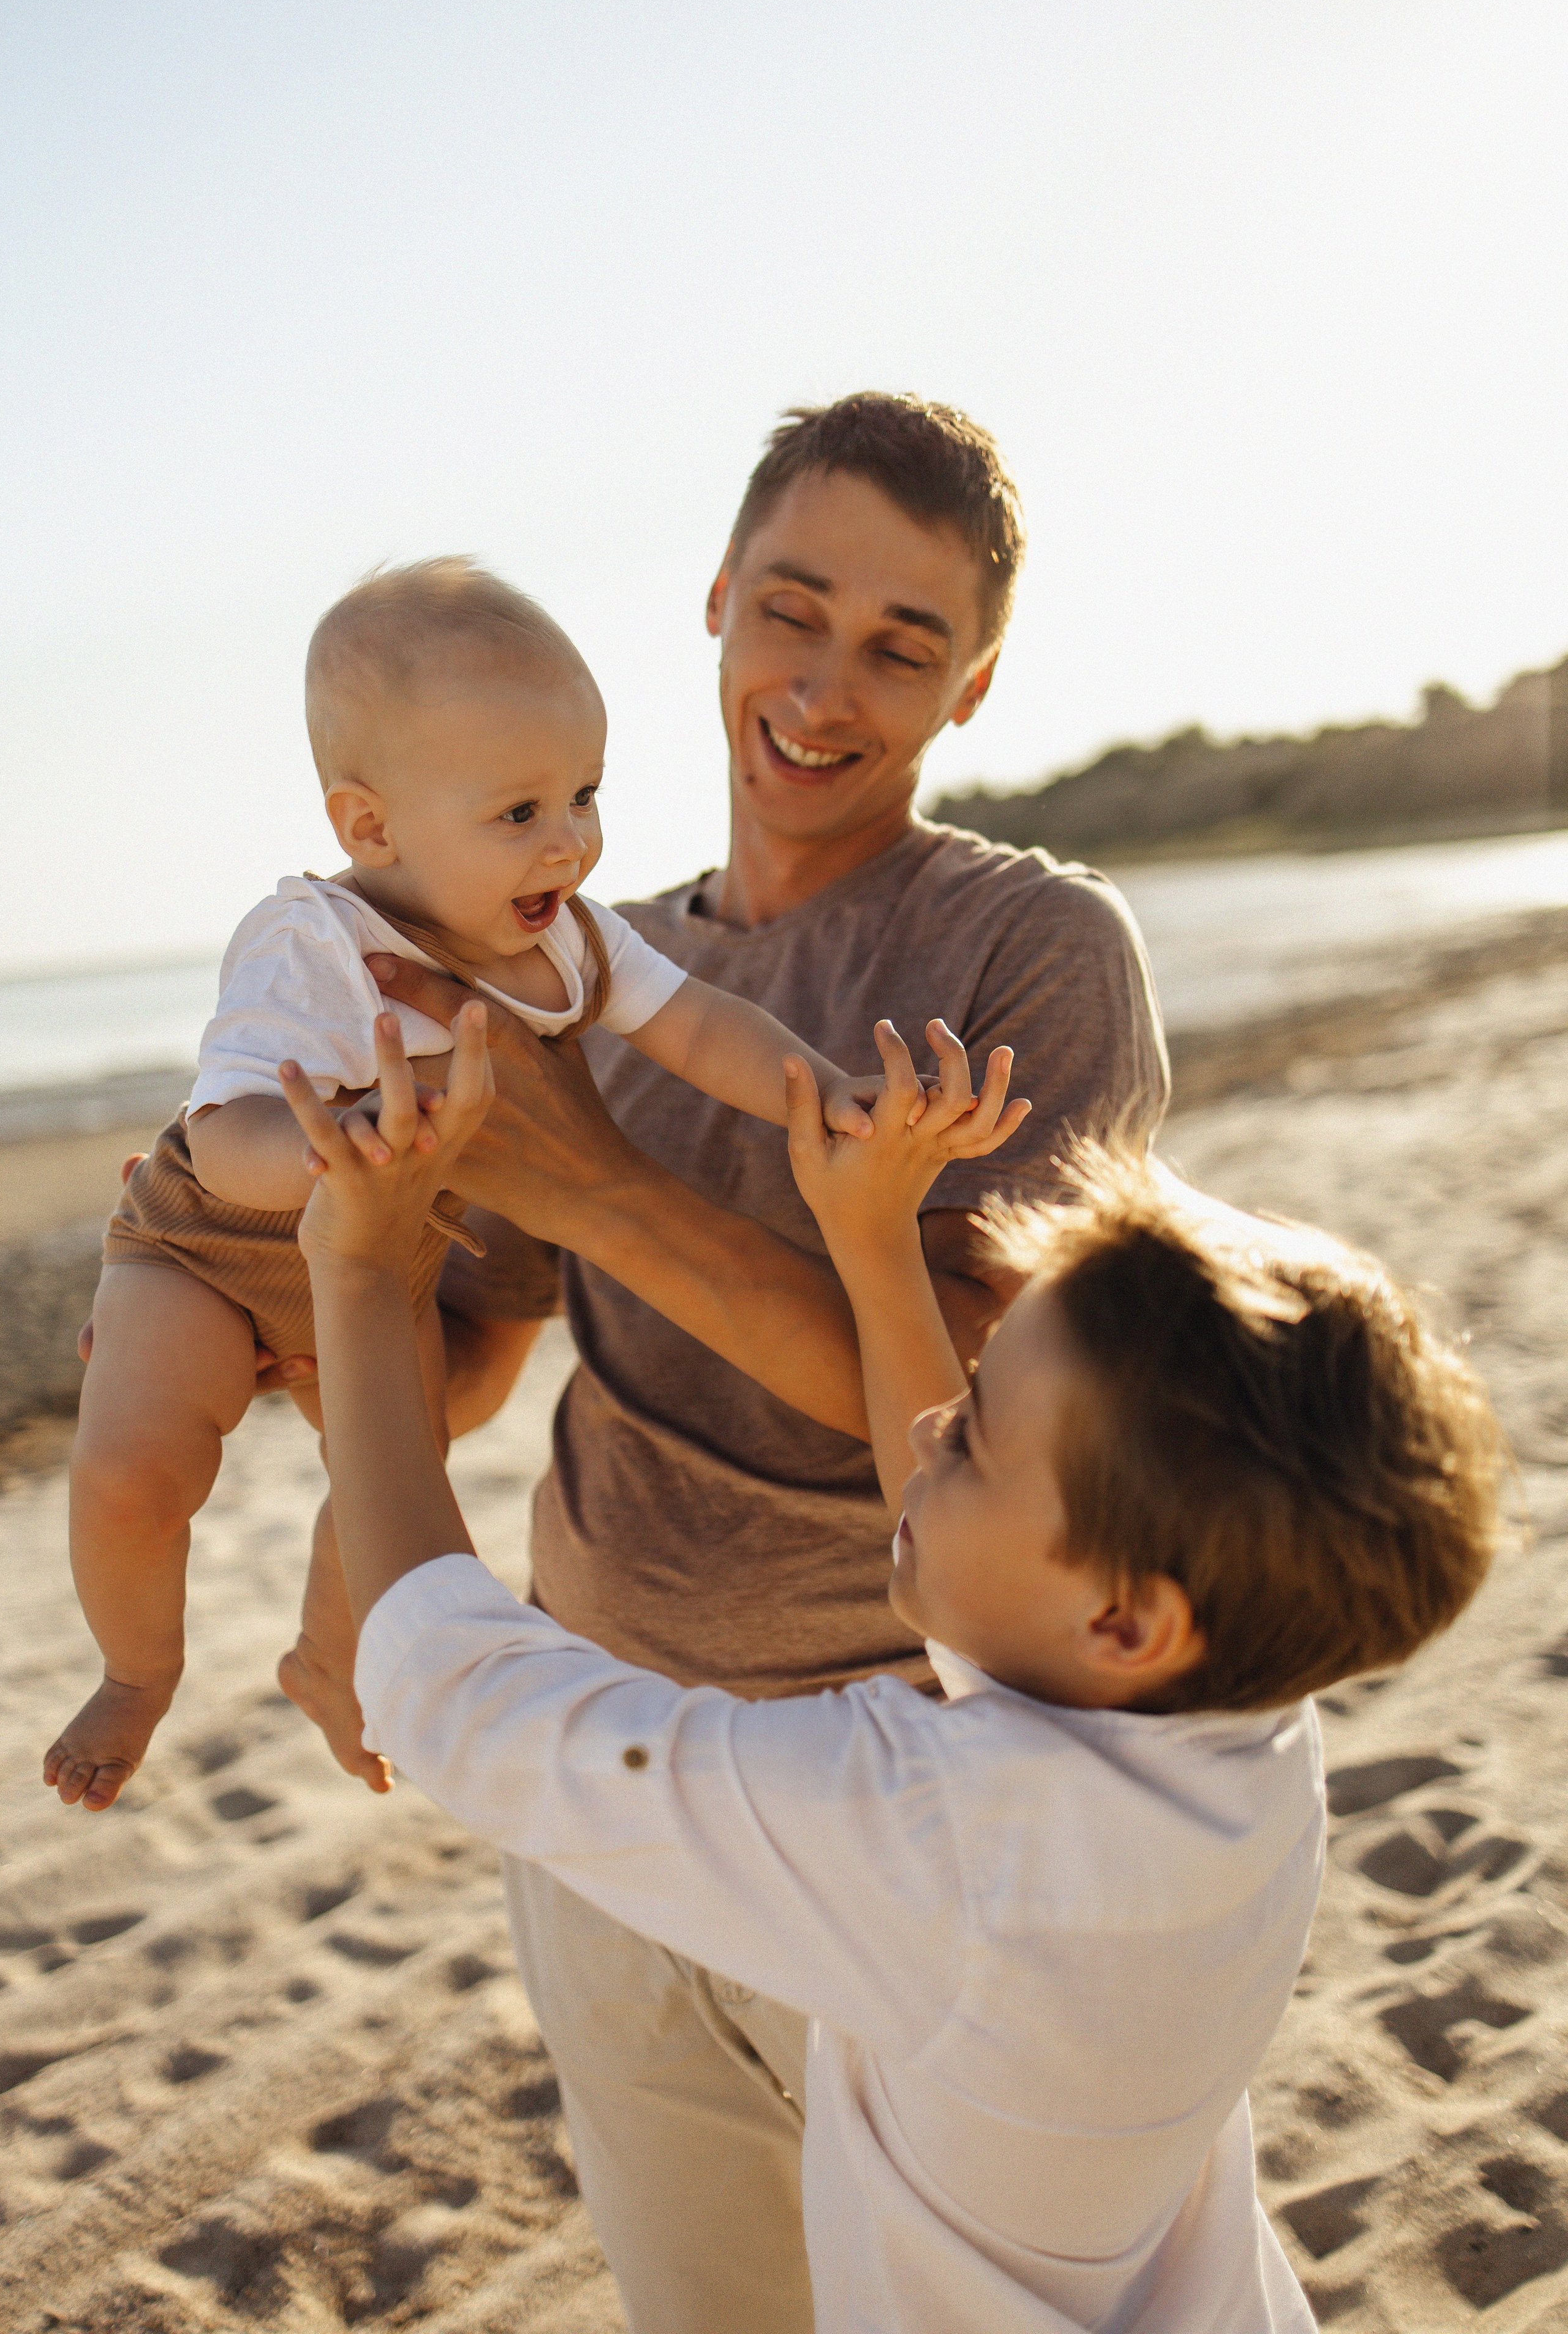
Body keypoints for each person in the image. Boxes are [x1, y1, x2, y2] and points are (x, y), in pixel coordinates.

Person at [277, 1002, 1502, 2333]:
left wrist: (359, 1271)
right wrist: (870, 1240)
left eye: (973, 1437)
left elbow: (461, 1693)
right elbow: (991, 1602)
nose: (926, 1428)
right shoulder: (1234, 1713)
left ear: (1124, 1622)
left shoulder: (939, 1842)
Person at [363, 393, 1169, 2329]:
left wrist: (600, 1183)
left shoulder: (1033, 948)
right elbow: (468, 1354)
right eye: (792, 612)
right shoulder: (571, 958)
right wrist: (273, 1287)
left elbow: (978, 1414)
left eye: (900, 645)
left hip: (893, 1798)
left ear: (973, 687)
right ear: (718, 600)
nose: (821, 689)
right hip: (600, 1784)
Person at [46, 558, 1004, 1816]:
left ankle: (332, 1655)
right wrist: (347, 1141)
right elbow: (222, 1134)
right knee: (137, 1470)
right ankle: (137, 1672)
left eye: (584, 795)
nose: (570, 842)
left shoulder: (567, 942)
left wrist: (828, 1093)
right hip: (213, 1246)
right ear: (370, 828)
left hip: (384, 1259)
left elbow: (701, 1024)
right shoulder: (313, 942)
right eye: (519, 813)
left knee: (393, 1479)